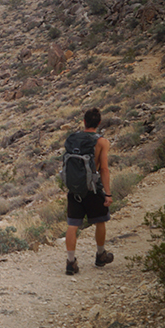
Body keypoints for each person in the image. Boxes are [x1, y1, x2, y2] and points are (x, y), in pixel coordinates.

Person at [65, 108, 113, 275]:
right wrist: (107, 193)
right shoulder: (102, 142)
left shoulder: (72, 138)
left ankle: (70, 262)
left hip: (75, 189)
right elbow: (104, 169)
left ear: (84, 122)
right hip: (93, 189)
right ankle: (100, 255)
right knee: (100, 222)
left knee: (72, 225)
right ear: (99, 123)